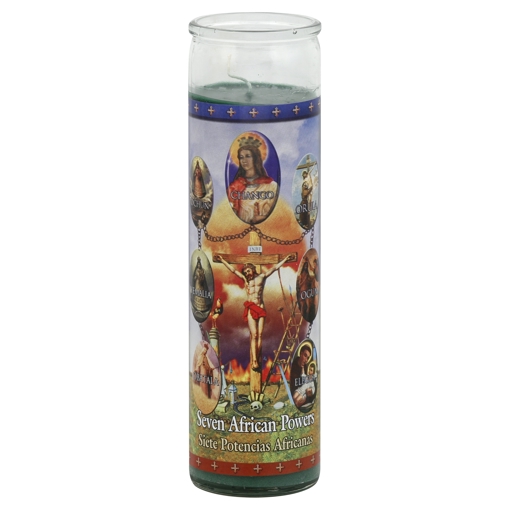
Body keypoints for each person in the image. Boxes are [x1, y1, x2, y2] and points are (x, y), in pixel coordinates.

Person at [218, 254, 292, 372]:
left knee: (260, 335)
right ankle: (254, 361)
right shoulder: (245, 280)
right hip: (251, 308)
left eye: (248, 270)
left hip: (261, 307)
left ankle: (256, 357)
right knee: (254, 335)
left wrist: (285, 259)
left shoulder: (262, 277)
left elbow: (274, 268)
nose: (247, 273)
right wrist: (222, 260)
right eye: (245, 272)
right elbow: (233, 270)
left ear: (253, 269)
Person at [228, 136, 278, 224]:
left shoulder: (271, 186)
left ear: (255, 158)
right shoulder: (235, 187)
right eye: (241, 157)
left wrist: (262, 218)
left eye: (248, 156)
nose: (244, 160)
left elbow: (277, 214)